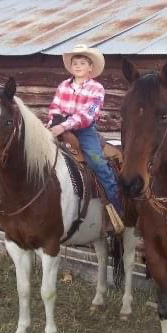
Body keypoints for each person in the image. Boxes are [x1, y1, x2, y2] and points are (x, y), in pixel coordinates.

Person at [48, 44, 123, 220]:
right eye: (75, 63)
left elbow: (89, 113)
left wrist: (65, 125)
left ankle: (117, 211)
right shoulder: (63, 86)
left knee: (98, 164)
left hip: (84, 130)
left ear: (90, 67)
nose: (78, 66)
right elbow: (55, 106)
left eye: (82, 63)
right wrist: (53, 122)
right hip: (58, 126)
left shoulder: (96, 88)